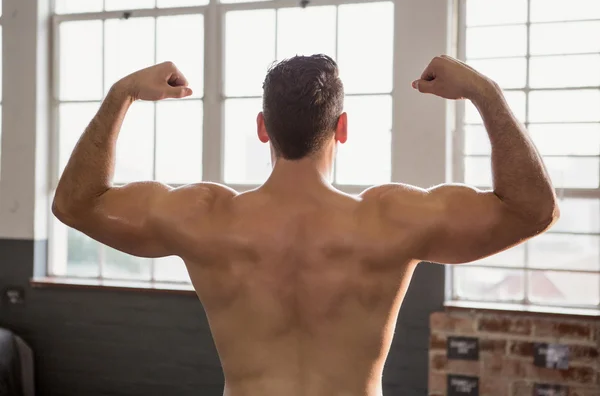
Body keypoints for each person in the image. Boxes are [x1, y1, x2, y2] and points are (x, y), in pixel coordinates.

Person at [52, 54, 559, 396]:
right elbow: (533, 210)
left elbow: (76, 204)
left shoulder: (204, 216)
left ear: (261, 128)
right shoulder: (391, 219)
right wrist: (485, 93)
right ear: (342, 128)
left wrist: (122, 94)